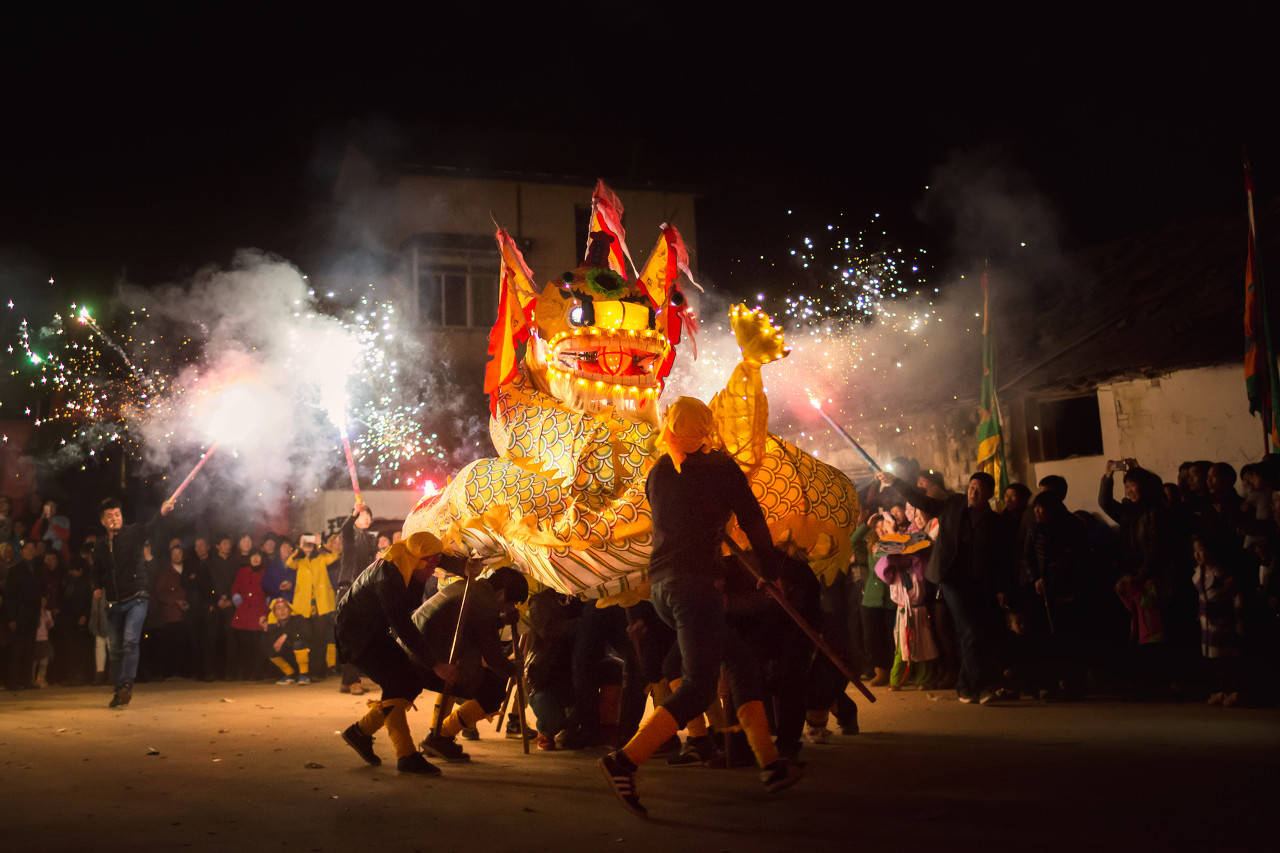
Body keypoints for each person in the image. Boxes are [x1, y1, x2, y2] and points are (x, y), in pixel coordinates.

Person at [599, 397, 798, 819]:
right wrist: (770, 569)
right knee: (701, 686)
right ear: (706, 426)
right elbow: (752, 520)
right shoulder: (721, 468)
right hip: (695, 588)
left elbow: (683, 520)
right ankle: (624, 761)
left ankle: (771, 762)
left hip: (664, 588)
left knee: (739, 662)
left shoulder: (659, 471)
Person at [334, 532, 459, 776]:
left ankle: (360, 732)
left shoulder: (406, 559)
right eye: (432, 562)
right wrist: (435, 664)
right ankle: (406, 755)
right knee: (400, 682)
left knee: (409, 682)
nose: (435, 567)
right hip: (358, 635)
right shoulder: (390, 576)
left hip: (373, 632)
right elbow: (401, 622)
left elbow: (408, 604)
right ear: (421, 558)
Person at [884, 469, 1012, 705]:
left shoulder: (995, 522)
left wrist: (1002, 588)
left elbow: (1000, 558)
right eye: (972, 487)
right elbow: (922, 500)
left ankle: (966, 686)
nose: (974, 492)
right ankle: (981, 687)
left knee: (973, 634)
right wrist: (897, 482)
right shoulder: (954, 505)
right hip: (952, 579)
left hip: (980, 582)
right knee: (970, 631)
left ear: (989, 494)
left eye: (979, 489)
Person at [412, 564, 528, 763]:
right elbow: (493, 657)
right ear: (503, 593)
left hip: (418, 653)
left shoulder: (470, 588)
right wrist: (513, 668)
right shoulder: (484, 605)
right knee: (494, 688)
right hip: (428, 663)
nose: (511, 607)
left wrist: (500, 621)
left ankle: (439, 735)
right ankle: (441, 735)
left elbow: (470, 625)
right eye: (513, 602)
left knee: (486, 678)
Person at [91, 496, 176, 707]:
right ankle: (119, 689)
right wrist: (95, 587)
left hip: (137, 598)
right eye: (109, 516)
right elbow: (96, 571)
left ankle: (127, 685)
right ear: (102, 521)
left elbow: (151, 526)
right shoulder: (100, 546)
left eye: (117, 514)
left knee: (130, 641)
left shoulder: (133, 533)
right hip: (113, 603)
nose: (114, 519)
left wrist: (162, 512)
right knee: (116, 649)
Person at [284, 533, 340, 683]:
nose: (308, 545)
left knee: (320, 638)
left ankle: (319, 671)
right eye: (305, 542)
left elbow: (335, 555)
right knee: (306, 637)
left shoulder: (321, 558)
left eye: (310, 542)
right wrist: (299, 548)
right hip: (304, 606)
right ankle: (307, 671)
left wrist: (322, 544)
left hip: (321, 605)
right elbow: (289, 563)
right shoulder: (299, 561)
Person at [337, 499, 378, 695]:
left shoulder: (368, 539)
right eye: (363, 514)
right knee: (351, 636)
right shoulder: (350, 535)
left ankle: (347, 680)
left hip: (361, 591)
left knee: (357, 636)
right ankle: (352, 680)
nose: (367, 517)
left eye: (368, 515)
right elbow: (344, 528)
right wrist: (354, 513)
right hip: (348, 590)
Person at [5, 540, 43, 689]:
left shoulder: (37, 568)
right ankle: (13, 681)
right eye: (28, 548)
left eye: (33, 548)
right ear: (22, 551)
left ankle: (26, 680)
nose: (31, 551)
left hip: (32, 614)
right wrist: (12, 618)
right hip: (19, 614)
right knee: (16, 649)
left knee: (29, 649)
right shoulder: (15, 570)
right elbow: (9, 596)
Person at [152, 545, 193, 679]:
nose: (176, 556)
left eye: (179, 553)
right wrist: (176, 601)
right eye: (174, 554)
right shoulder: (166, 572)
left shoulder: (188, 570)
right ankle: (170, 671)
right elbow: (160, 592)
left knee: (184, 643)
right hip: (171, 614)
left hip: (186, 614)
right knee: (171, 644)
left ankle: (184, 671)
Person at [229, 551, 269, 680]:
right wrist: (235, 596)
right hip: (244, 612)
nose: (256, 559)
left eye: (258, 556)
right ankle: (245, 672)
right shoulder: (242, 571)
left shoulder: (265, 572)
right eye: (253, 556)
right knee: (245, 645)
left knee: (258, 645)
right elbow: (235, 587)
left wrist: (269, 601)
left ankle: (257, 673)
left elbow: (270, 588)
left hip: (260, 610)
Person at [264, 597, 300, 685]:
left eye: (285, 607)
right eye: (279, 608)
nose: (282, 611)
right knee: (268, 647)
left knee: (299, 643)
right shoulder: (274, 626)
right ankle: (290, 674)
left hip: (303, 659)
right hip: (289, 658)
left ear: (290, 610)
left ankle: (304, 674)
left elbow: (305, 634)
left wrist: (285, 635)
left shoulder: (298, 619)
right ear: (275, 613)